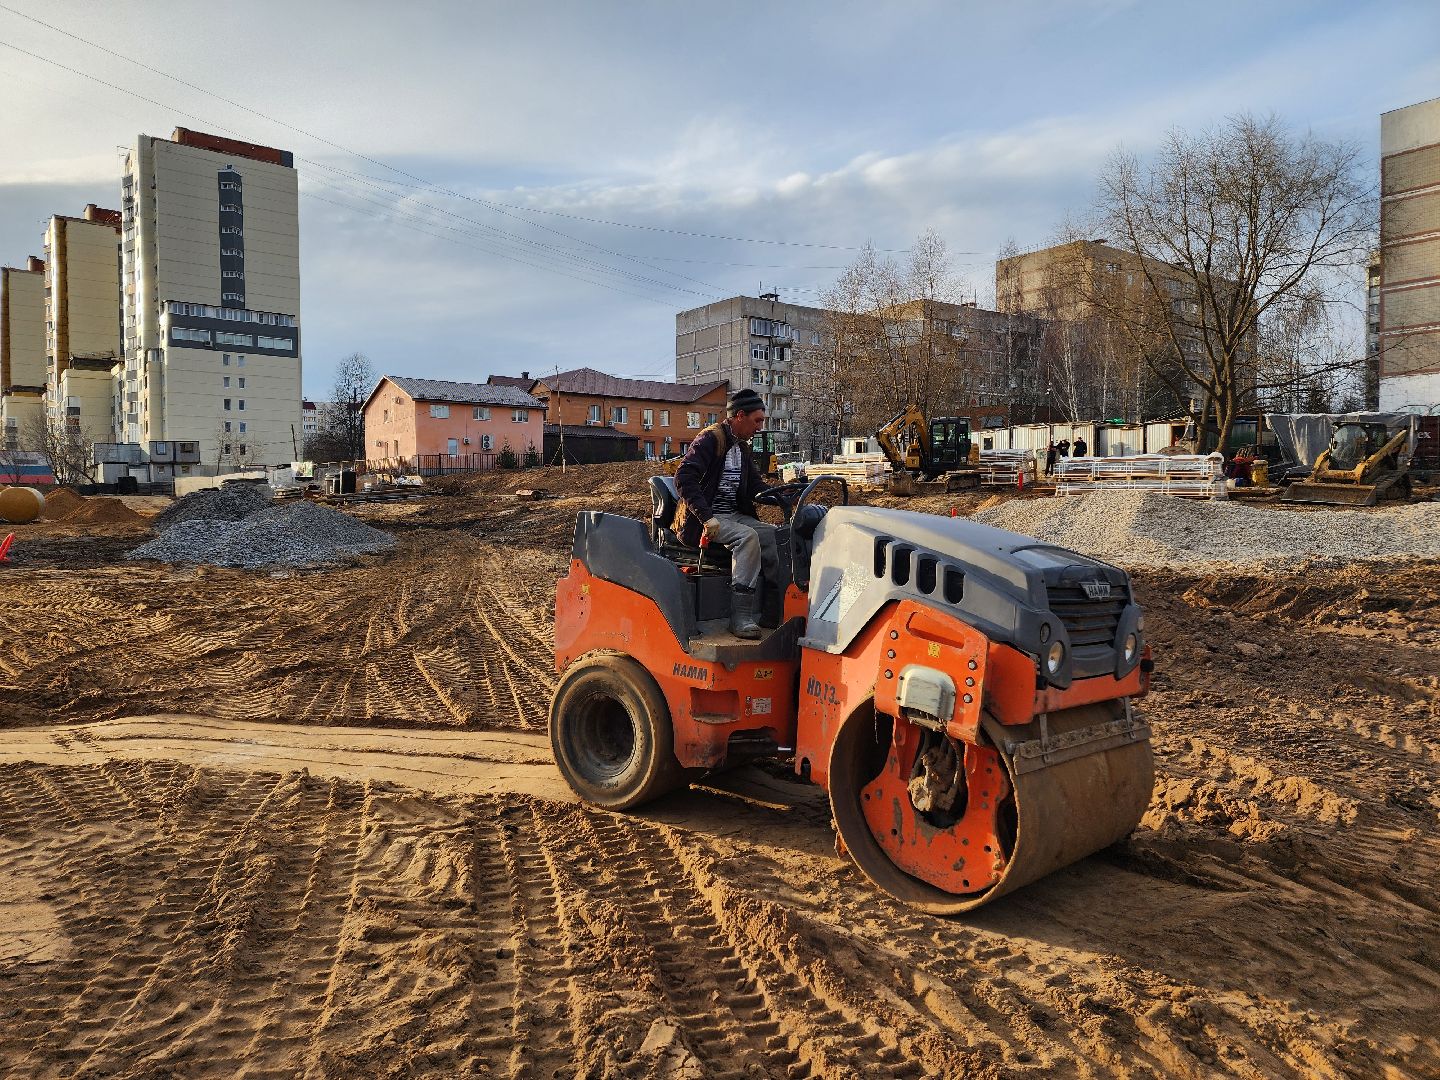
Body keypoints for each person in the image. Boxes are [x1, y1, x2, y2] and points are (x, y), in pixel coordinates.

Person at [674, 388, 779, 639]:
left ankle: (771, 609)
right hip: (706, 518)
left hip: (732, 515)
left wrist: (787, 497)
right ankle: (740, 616)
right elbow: (684, 477)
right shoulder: (710, 440)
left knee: (777, 536)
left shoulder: (741, 448)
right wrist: (705, 517)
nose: (759, 427)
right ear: (739, 416)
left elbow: (755, 487)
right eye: (757, 421)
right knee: (748, 537)